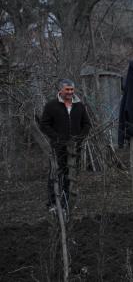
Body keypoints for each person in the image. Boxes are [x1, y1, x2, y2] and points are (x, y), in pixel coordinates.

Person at [40, 79, 91, 210]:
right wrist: (57, 138)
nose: (70, 92)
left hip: (74, 148)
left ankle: (66, 202)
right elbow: (44, 125)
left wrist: (79, 138)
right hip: (58, 147)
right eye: (67, 89)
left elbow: (87, 124)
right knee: (56, 174)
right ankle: (52, 203)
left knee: (71, 175)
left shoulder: (79, 105)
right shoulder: (51, 105)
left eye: (72, 89)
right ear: (61, 90)